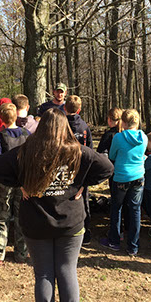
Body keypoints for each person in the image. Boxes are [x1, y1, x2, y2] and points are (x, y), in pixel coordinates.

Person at [0, 108, 113, 302]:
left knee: (44, 274)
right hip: (69, 223)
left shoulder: (27, 151)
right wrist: (22, 183)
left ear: (41, 127)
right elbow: (107, 167)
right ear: (65, 127)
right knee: (67, 271)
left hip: (37, 223)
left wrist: (20, 183)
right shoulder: (77, 151)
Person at [0, 102, 30, 266]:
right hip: (23, 183)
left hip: (6, 183)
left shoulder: (1, 136)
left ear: (0, 117)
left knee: (2, 217)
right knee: (21, 217)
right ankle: (21, 253)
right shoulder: (27, 134)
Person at [101, 109, 147, 256]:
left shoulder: (118, 137)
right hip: (138, 176)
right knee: (135, 210)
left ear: (124, 122)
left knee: (117, 208)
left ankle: (114, 241)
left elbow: (112, 155)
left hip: (121, 176)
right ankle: (133, 246)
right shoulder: (144, 137)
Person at [65, 95, 93, 244]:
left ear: (64, 108)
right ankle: (85, 230)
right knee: (83, 198)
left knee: (65, 197)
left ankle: (70, 229)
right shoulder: (84, 126)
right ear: (79, 109)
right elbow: (90, 149)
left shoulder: (61, 125)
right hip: (81, 167)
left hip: (65, 168)